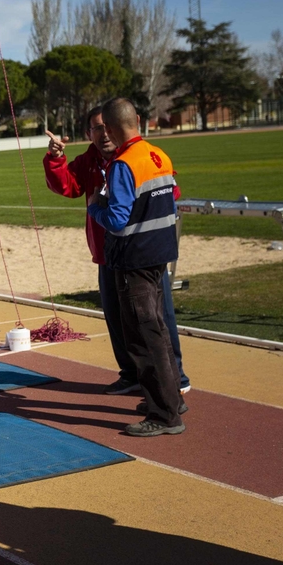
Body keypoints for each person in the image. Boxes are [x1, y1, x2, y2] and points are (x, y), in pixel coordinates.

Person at [44, 108, 191, 396]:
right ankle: (132, 374)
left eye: (106, 126)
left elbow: (169, 193)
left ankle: (176, 376)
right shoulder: (89, 160)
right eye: (96, 128)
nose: (103, 133)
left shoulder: (137, 158)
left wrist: (106, 204)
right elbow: (66, 185)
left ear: (118, 126)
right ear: (89, 134)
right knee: (117, 318)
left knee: (156, 319)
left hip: (141, 252)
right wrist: (55, 159)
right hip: (107, 253)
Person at [88, 97, 186, 437]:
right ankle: (171, 398)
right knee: (157, 328)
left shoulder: (122, 165)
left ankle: (164, 414)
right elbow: (172, 199)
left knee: (144, 337)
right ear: (139, 121)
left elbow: (116, 221)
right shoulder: (159, 155)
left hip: (134, 259)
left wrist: (94, 209)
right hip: (160, 254)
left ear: (112, 130)